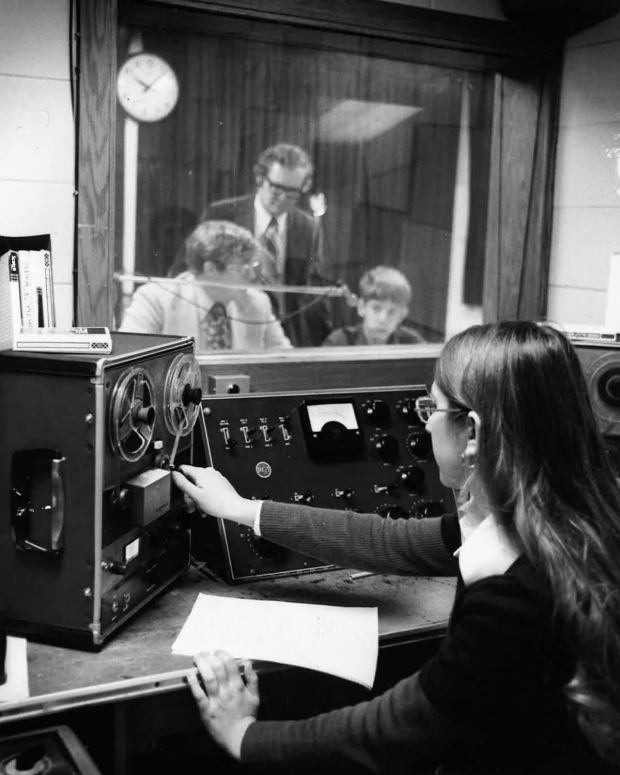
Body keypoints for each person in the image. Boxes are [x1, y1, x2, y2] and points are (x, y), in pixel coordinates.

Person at [173, 321, 620, 774]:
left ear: (474, 434)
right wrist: (243, 509)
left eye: (433, 407)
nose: (424, 423)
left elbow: (398, 731)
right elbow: (389, 540)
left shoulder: (513, 599)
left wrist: (244, 736)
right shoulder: (565, 521)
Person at [203, 143, 331, 347]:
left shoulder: (307, 227)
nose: (282, 198)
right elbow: (190, 271)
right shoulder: (221, 215)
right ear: (260, 178)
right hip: (233, 329)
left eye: (292, 193)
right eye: (276, 188)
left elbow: (314, 289)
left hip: (284, 335)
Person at [119, 220, 291, 352]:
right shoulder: (155, 300)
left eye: (251, 267)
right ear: (210, 269)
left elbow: (286, 360)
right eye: (241, 269)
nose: (251, 276)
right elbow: (127, 358)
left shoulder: (258, 303)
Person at [322, 266, 424, 346]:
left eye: (392, 312)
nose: (382, 319)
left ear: (402, 315)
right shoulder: (340, 341)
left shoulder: (412, 343)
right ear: (361, 307)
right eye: (376, 308)